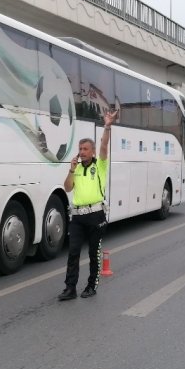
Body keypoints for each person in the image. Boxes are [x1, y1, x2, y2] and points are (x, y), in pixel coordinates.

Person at [58, 110, 115, 301]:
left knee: (93, 253)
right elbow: (67, 188)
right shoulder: (76, 168)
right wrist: (71, 170)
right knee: (73, 253)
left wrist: (107, 126)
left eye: (85, 149)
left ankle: (91, 285)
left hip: (95, 216)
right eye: (80, 149)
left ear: (91, 151)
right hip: (77, 218)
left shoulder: (99, 165)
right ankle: (70, 288)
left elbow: (104, 146)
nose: (82, 152)